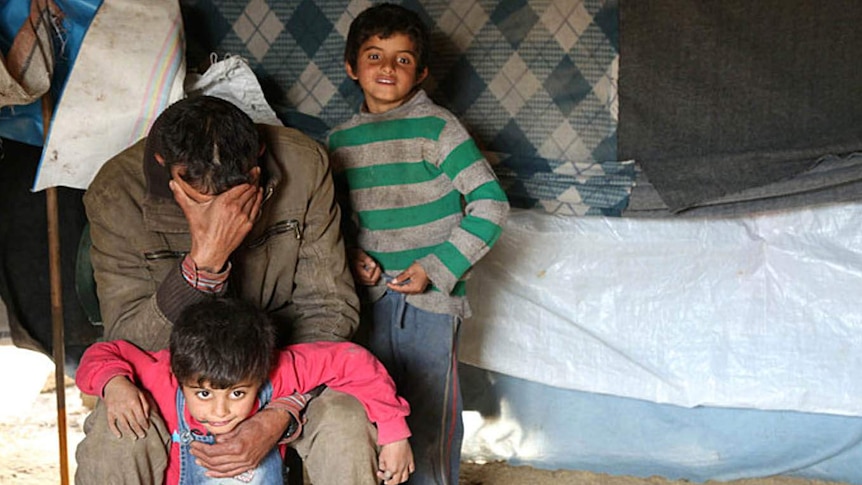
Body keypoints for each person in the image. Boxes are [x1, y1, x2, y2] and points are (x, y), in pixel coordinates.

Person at [78, 94, 373, 484]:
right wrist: (204, 262)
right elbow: (128, 336)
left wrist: (281, 407)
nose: (223, 211)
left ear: (259, 158)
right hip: (179, 378)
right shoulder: (116, 192)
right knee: (117, 437)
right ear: (165, 166)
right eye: (203, 197)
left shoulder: (304, 165)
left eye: (234, 194)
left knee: (345, 423)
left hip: (287, 367)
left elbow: (330, 306)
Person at [328, 4, 510, 485]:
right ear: (351, 66)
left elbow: (491, 203)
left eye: (403, 59)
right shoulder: (338, 141)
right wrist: (350, 253)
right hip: (365, 299)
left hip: (430, 298)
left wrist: (436, 266)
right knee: (370, 407)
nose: (388, 68)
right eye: (374, 55)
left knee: (430, 410)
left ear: (422, 72)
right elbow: (333, 220)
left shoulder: (438, 127)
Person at [76, 298, 415, 485]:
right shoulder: (162, 375)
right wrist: (115, 382)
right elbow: (102, 353)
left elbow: (354, 361)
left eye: (238, 394)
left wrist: (394, 432)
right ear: (178, 375)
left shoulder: (277, 370)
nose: (220, 411)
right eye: (204, 394)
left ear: (261, 371)